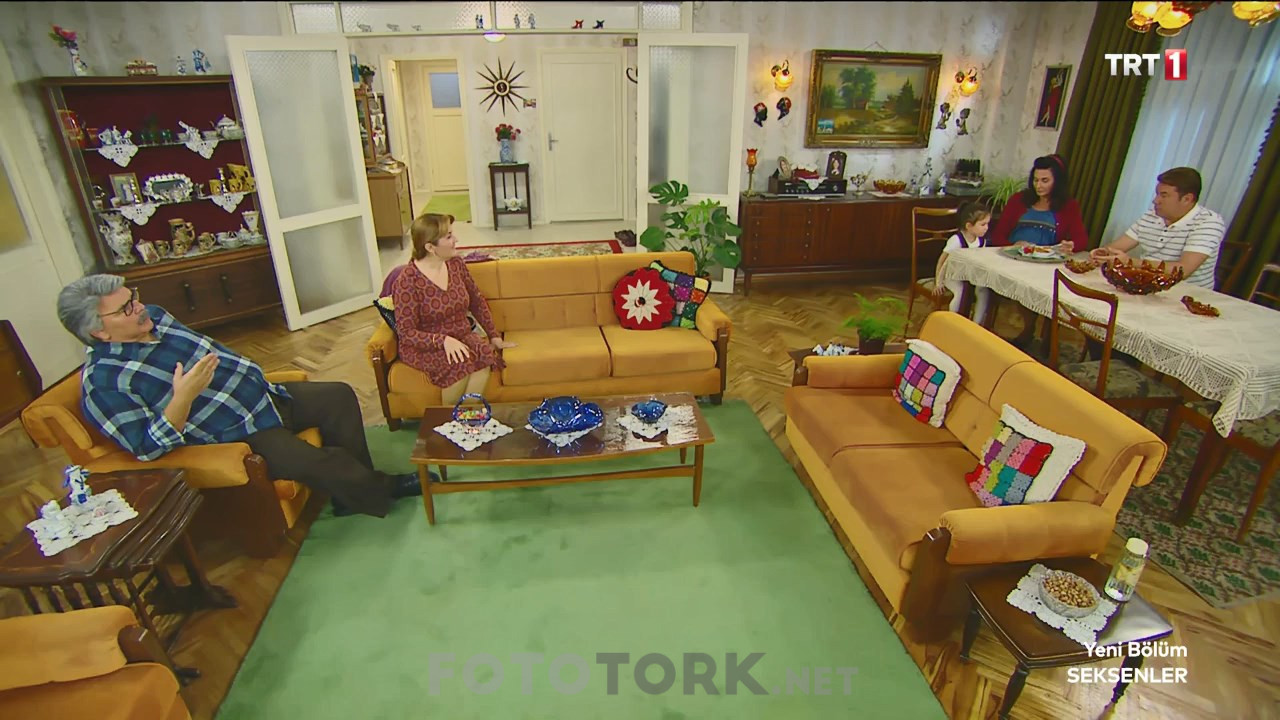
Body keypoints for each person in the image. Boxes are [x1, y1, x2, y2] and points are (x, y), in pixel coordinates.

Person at [55, 275, 426, 519]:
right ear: (99, 332)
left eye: (133, 297)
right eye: (125, 309)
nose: (138, 308)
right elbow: (146, 448)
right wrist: (183, 398)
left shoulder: (156, 317)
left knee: (338, 397)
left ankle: (350, 497)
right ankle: (379, 487)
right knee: (319, 460)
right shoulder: (104, 383)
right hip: (237, 432)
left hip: (266, 395)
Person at [393, 213, 515, 406]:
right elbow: (406, 332)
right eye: (449, 236)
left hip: (461, 335)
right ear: (430, 247)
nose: (456, 240)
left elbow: (476, 301)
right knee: (460, 362)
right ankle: (448, 419)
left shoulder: (456, 264)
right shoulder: (407, 281)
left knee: (484, 354)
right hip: (426, 346)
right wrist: (442, 341)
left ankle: (466, 418)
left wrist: (494, 336)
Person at [1090, 167, 1226, 289]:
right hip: (1146, 286)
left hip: (1187, 293)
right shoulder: (1151, 215)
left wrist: (1130, 262)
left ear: (1187, 199)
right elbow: (1117, 246)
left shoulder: (1209, 222)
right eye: (1157, 194)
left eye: (1164, 195)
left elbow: (1183, 270)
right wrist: (1104, 253)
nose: (1155, 200)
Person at [988, 154, 1089, 253]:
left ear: (1058, 182)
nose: (1038, 185)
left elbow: (1081, 240)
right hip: (1012, 255)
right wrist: (1012, 247)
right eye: (1036, 180)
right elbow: (998, 235)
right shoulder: (1018, 199)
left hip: (1044, 260)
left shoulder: (1069, 206)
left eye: (1045, 181)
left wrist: (1072, 245)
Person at [934, 202, 994, 325]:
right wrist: (938, 282)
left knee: (983, 290)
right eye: (983, 224)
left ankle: (976, 323)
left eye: (987, 224)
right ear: (969, 226)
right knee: (960, 292)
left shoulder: (981, 241)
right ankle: (954, 321)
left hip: (969, 275)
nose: (986, 228)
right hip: (952, 276)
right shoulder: (956, 240)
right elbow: (942, 261)